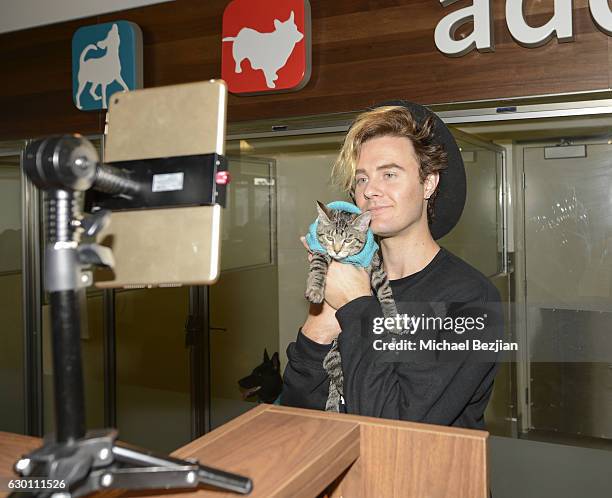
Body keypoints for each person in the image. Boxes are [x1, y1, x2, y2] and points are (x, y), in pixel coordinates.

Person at [281, 102, 504, 429]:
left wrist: (356, 307)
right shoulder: (351, 280)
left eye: (389, 174)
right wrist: (322, 321)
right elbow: (297, 410)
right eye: (361, 179)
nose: (370, 190)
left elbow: (399, 424)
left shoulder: (470, 300)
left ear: (428, 184)